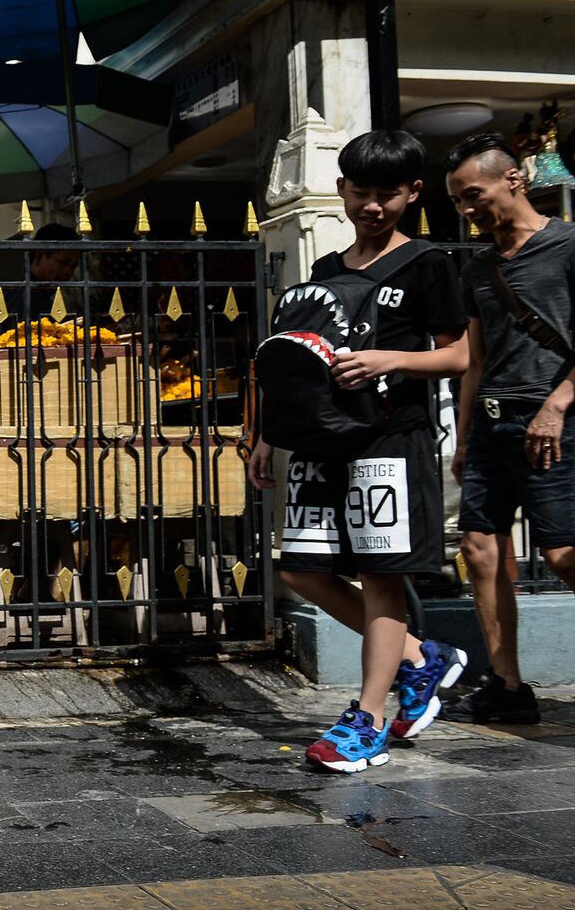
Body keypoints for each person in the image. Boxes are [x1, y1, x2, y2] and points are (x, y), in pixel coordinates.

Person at [246, 130, 470, 772]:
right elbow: (297, 364)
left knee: (379, 577)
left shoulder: (428, 263)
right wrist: (268, 435)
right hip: (320, 439)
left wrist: (388, 358)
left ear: (412, 194)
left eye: (388, 194)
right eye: (362, 192)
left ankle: (367, 720)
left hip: (390, 440)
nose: (373, 206)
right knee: (301, 571)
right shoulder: (324, 273)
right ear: (342, 190)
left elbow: (458, 353)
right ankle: (421, 660)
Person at [447, 132, 575, 724]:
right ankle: (507, 686)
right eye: (458, 201)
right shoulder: (478, 266)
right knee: (480, 549)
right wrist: (465, 434)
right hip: (493, 424)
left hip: (552, 420)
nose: (468, 209)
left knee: (563, 554)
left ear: (513, 180)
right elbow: (475, 358)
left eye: (474, 194)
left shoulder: (568, 244)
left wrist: (558, 403)